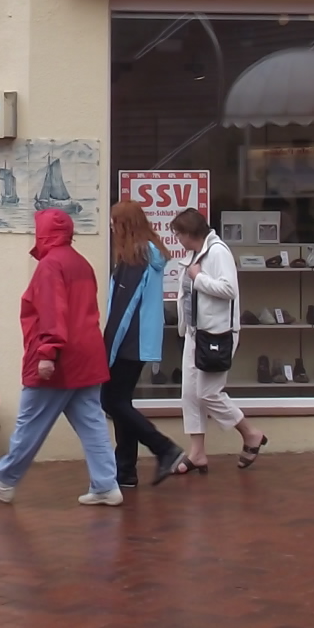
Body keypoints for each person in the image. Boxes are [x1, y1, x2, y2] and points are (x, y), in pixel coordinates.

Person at [0, 209, 121, 507]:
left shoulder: (50, 265)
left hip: (59, 358)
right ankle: (106, 484)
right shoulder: (81, 263)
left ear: (44, 233)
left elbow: (53, 312)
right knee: (92, 423)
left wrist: (47, 353)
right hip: (87, 356)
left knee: (31, 422)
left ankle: (4, 480)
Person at [171, 209, 269, 472]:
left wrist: (198, 278)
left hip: (216, 334)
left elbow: (229, 289)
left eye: (179, 233)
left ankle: (250, 433)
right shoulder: (197, 253)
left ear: (191, 233)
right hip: (196, 332)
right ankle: (198, 452)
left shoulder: (218, 252)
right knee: (190, 393)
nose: (177, 239)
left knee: (208, 393)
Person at [100, 202, 188, 487]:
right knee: (121, 401)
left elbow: (123, 309)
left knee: (111, 400)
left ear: (125, 225)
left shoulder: (135, 256)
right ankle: (126, 470)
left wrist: (107, 348)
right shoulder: (148, 251)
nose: (112, 228)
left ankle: (165, 449)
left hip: (128, 341)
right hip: (139, 340)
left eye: (115, 223)